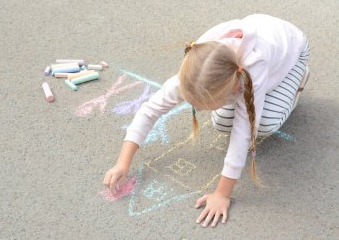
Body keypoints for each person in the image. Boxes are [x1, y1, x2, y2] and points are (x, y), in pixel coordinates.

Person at [103, 14, 310, 228]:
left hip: (291, 54)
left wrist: (222, 194)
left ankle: (296, 83)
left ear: (230, 90)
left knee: (264, 122)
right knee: (221, 122)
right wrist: (122, 163)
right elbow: (149, 110)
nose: (198, 109)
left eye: (201, 104)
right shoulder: (196, 71)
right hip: (260, 40)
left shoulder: (253, 71)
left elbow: (244, 132)